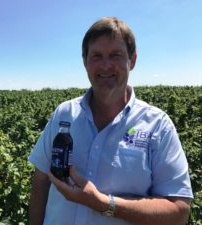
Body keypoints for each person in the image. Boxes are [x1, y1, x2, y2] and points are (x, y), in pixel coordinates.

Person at [28, 17, 193, 225]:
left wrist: (105, 204)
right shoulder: (63, 114)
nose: (106, 65)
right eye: (96, 55)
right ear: (85, 61)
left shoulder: (158, 126)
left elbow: (179, 211)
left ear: (131, 61)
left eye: (115, 55)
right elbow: (41, 179)